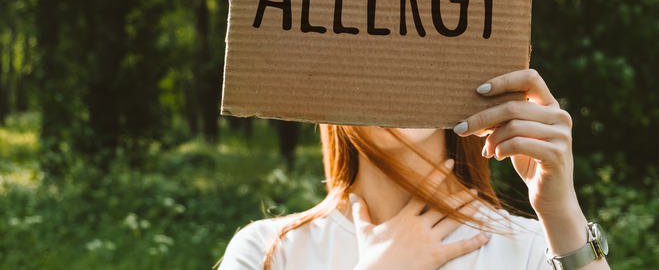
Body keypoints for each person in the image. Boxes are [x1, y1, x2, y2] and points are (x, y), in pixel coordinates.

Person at [218, 69, 611, 270]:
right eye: (369, 54)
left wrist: (562, 214)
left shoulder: (535, 249)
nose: (395, 77)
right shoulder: (268, 252)